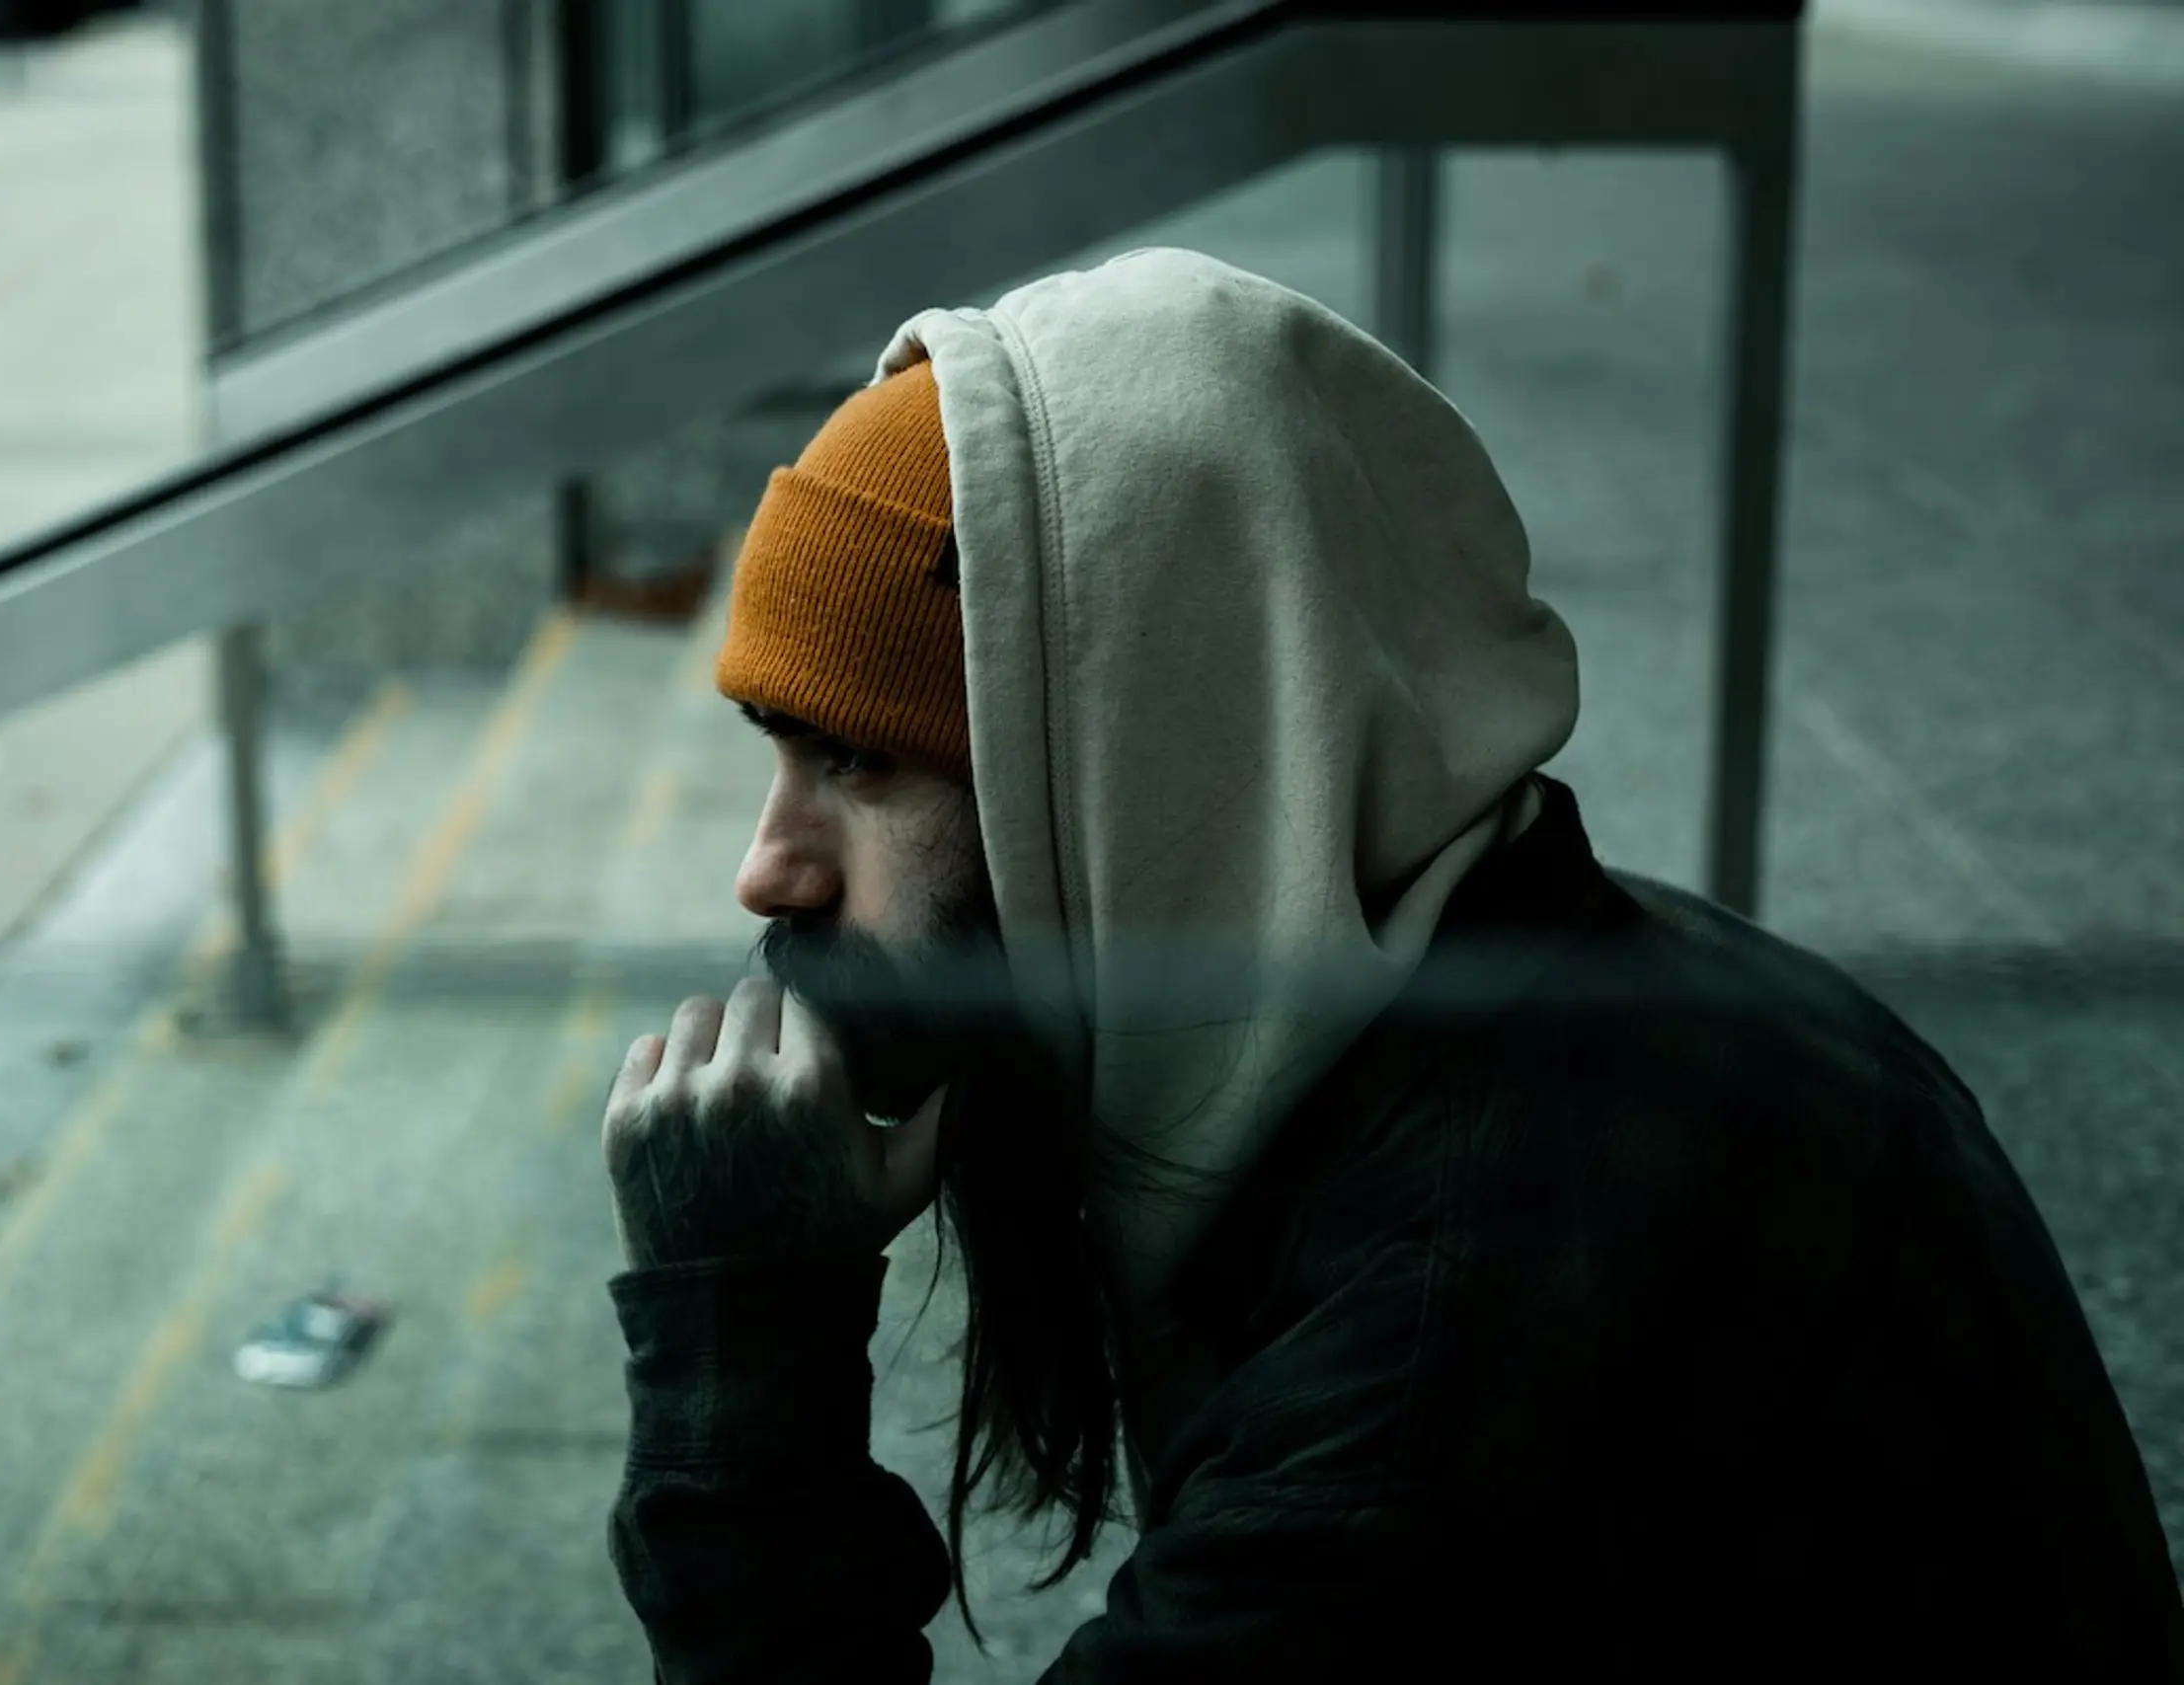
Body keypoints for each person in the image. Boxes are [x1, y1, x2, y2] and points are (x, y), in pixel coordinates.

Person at [594, 249, 2184, 1679]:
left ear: (1156, 768)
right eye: (776, 757)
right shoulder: (1539, 988)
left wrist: (746, 1329)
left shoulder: (1451, 1328)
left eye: (860, 766)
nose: (769, 862)